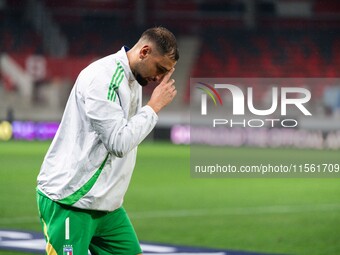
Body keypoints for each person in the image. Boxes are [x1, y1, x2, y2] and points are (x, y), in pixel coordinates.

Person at [36, 26, 179, 255]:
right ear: (144, 52)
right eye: (160, 69)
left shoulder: (133, 78)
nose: (159, 78)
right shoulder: (104, 78)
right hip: (70, 200)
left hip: (106, 206)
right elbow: (118, 142)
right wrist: (153, 107)